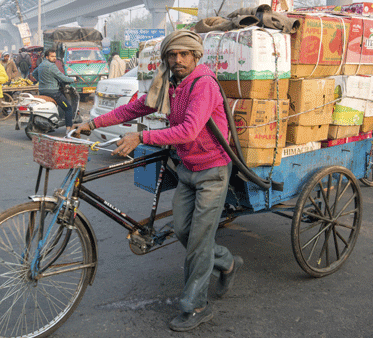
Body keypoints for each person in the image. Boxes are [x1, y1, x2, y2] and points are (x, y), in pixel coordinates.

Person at [72, 30, 242, 332]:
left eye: (183, 54)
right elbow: (135, 108)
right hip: (187, 167)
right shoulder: (168, 83)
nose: (177, 60)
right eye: (171, 55)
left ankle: (196, 306)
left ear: (195, 56)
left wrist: (141, 136)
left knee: (199, 242)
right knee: (182, 231)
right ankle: (227, 262)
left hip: (212, 170)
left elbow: (189, 130)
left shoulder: (203, 84)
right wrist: (92, 122)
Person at [32, 49, 75, 130]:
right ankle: (69, 129)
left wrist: (41, 81)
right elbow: (62, 77)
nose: (54, 58)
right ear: (47, 57)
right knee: (68, 108)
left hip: (42, 92)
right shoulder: (51, 66)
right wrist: (73, 80)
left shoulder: (41, 65)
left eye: (55, 56)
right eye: (52, 56)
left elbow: (34, 73)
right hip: (53, 93)